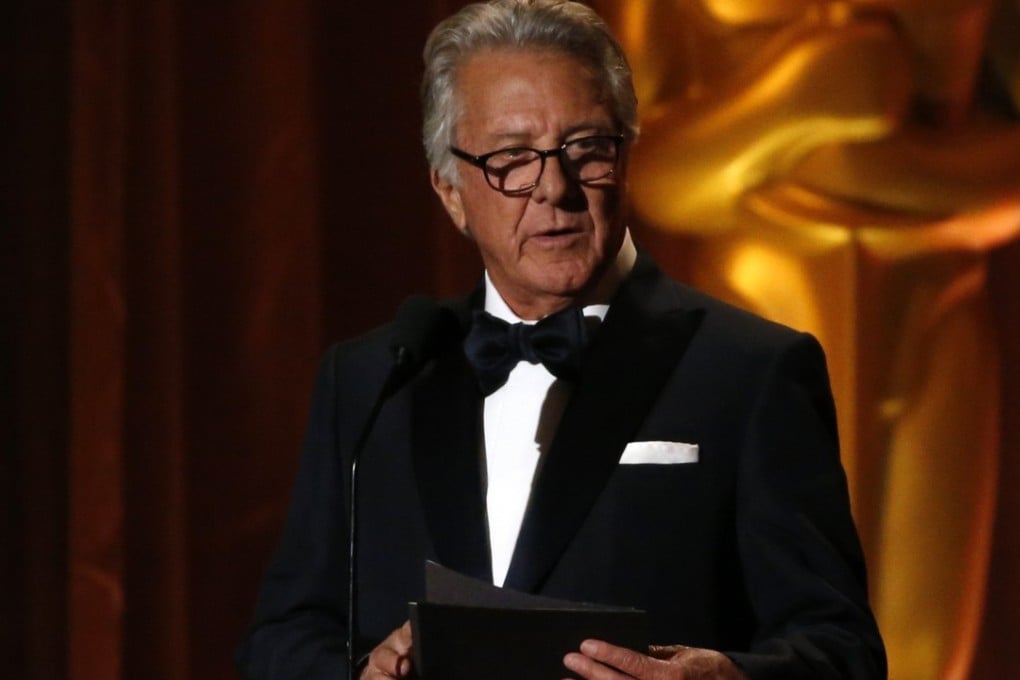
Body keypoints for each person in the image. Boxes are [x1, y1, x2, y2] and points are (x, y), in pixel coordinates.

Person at [235, 1, 886, 678]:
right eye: (514, 160)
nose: (556, 188)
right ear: (451, 190)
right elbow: (283, 638)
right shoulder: (375, 379)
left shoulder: (751, 371)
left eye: (586, 149)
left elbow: (843, 652)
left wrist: (726, 678)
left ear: (626, 158)